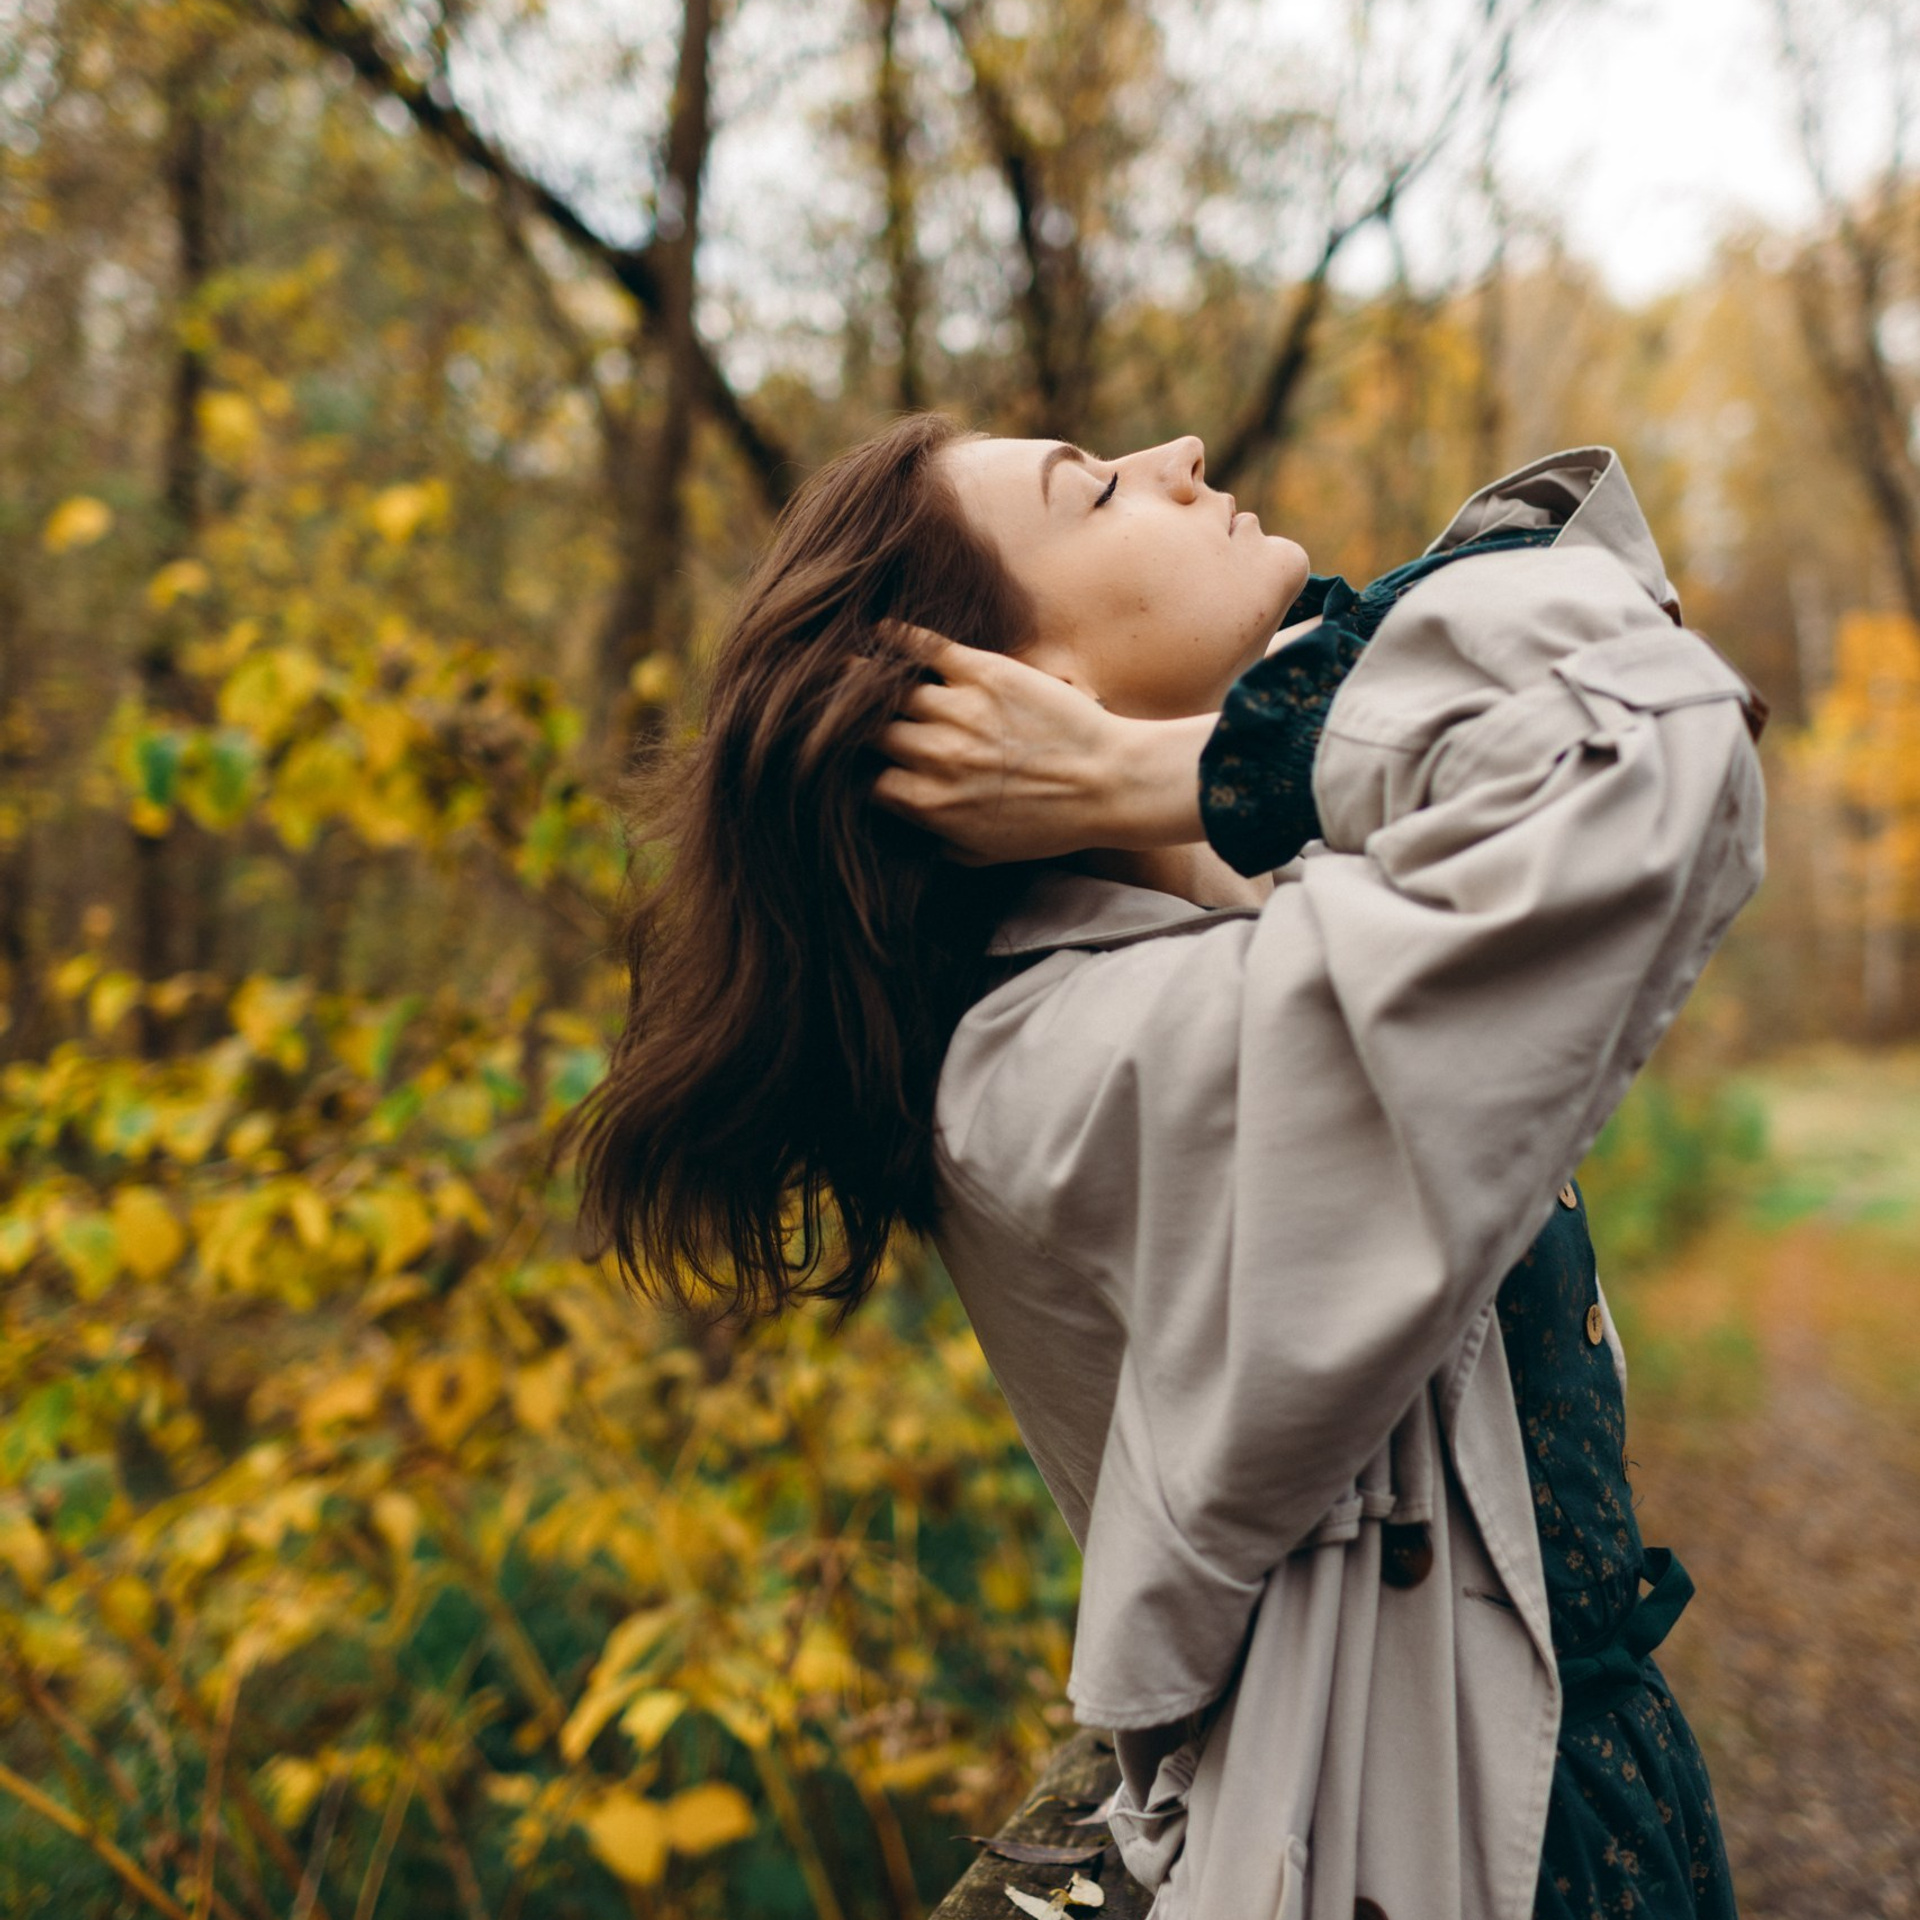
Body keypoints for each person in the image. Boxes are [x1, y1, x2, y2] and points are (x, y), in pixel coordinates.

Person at [572, 413, 1766, 1920]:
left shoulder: (1243, 911)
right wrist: (1206, 771)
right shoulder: (1063, 1076)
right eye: (1094, 487)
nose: (1182, 449)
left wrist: (1181, 770)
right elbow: (1652, 738)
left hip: (1574, 1802)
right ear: (1023, 697)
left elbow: (1606, 604)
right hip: (1454, 1850)